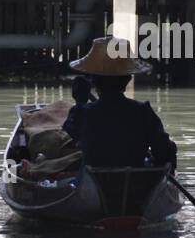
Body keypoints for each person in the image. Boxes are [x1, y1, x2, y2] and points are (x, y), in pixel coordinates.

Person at [62, 36, 178, 169]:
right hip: (135, 181)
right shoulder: (143, 112)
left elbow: (72, 131)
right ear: (128, 79)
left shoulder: (83, 113)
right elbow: (165, 151)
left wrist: (80, 101)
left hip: (96, 181)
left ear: (93, 81)